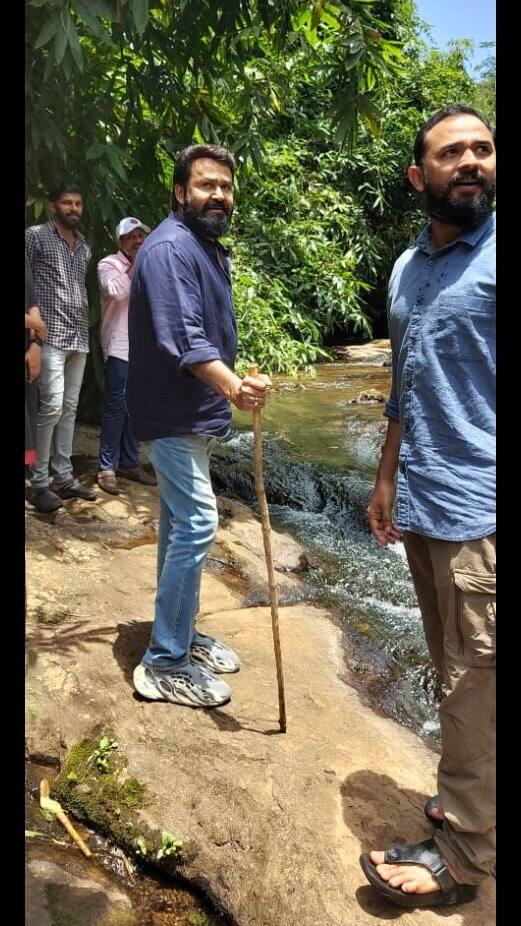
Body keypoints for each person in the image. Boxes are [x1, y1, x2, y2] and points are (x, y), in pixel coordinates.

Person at [360, 105, 495, 909]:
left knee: (473, 681)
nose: (470, 162)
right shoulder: (408, 269)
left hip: (483, 513)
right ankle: (471, 803)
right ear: (420, 177)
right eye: (452, 154)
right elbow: (403, 390)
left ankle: (466, 856)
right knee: (456, 673)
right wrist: (385, 481)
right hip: (424, 502)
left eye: (482, 149)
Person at [127, 143, 270, 708]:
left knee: (179, 521)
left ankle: (179, 634)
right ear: (180, 192)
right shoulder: (167, 250)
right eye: (207, 185)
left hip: (191, 415)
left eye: (226, 187)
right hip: (172, 415)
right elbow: (185, 338)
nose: (220, 195)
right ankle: (163, 662)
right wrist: (233, 386)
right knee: (197, 524)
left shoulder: (202, 245)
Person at [25, 182, 97, 513]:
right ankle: (38, 480)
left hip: (78, 336)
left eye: (78, 203)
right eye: (67, 202)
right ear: (54, 206)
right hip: (48, 335)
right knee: (51, 407)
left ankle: (63, 476)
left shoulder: (83, 245)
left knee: (69, 408)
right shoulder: (35, 236)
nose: (73, 208)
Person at [96, 217, 157, 495]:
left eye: (141, 236)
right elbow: (117, 291)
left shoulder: (150, 268)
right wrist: (135, 265)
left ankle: (130, 463)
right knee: (116, 406)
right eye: (131, 237)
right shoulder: (108, 264)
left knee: (137, 407)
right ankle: (107, 467)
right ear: (120, 242)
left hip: (143, 348)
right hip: (119, 345)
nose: (138, 241)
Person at [25, 258, 47, 467]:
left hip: (28, 350)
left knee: (28, 423)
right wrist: (37, 325)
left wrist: (36, 343)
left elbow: (32, 302)